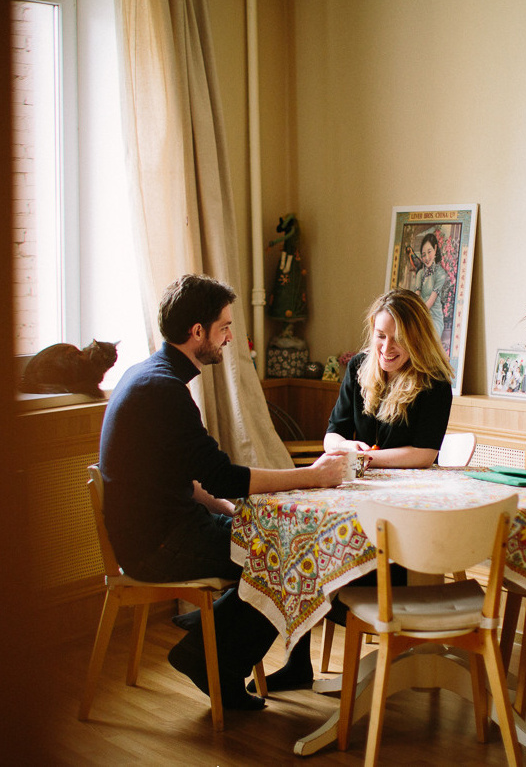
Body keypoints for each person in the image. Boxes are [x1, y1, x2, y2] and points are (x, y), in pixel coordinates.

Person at [99, 274, 346, 711]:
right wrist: (312, 475)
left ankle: (224, 638)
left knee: (283, 544)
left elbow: (182, 476)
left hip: (164, 528)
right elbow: (222, 475)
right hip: (158, 544)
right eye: (225, 327)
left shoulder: (148, 375)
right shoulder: (163, 390)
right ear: (198, 333)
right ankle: (206, 655)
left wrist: (225, 509)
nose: (231, 337)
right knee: (289, 557)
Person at [248, 287, 454, 693]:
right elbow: (331, 437)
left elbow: (425, 453)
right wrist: (346, 448)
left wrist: (368, 459)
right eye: (380, 335)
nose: (387, 346)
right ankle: (297, 661)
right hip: (356, 496)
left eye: (398, 338)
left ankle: (380, 639)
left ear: (418, 339)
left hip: (401, 510)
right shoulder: (359, 367)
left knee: (323, 560)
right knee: (302, 543)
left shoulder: (434, 383)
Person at [414, 232, 448, 338]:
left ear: (435, 249)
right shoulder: (420, 273)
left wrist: (418, 314)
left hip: (433, 318)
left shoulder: (440, 273)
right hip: (420, 314)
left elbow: (431, 301)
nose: (427, 257)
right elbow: (416, 296)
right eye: (423, 255)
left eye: (429, 252)